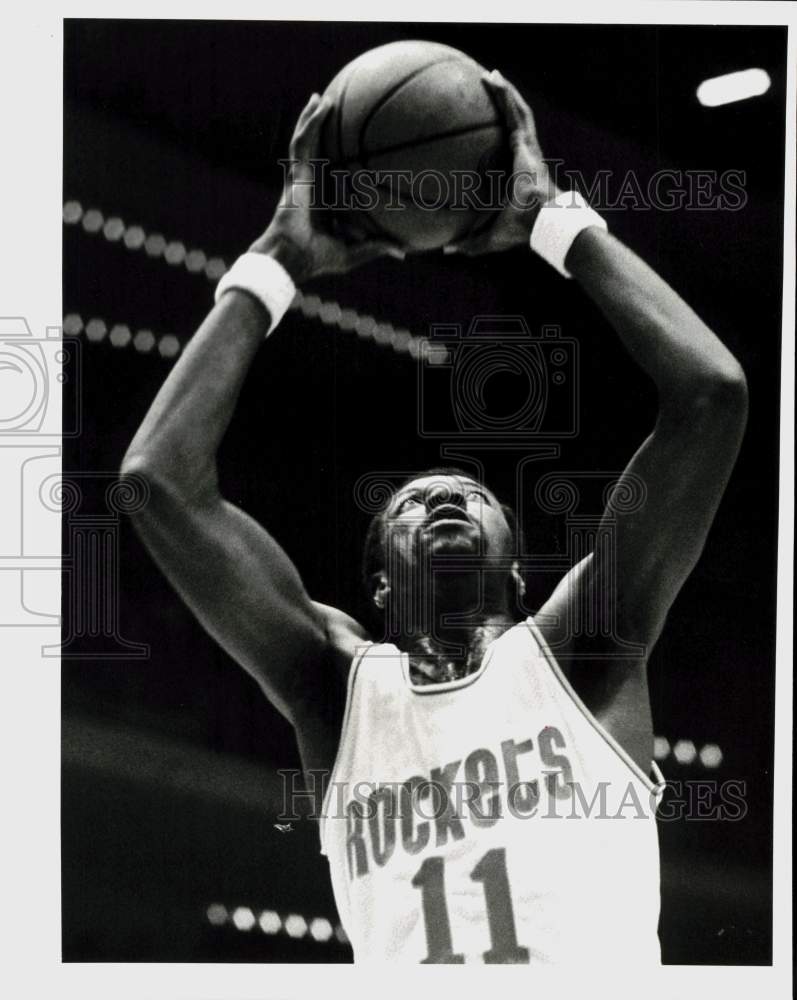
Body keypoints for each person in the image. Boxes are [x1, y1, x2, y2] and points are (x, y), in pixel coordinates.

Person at [121, 69, 748, 965]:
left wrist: (550, 218)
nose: (445, 495)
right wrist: (278, 258)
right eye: (414, 503)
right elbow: (155, 481)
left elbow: (711, 395)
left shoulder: (583, 653)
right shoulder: (336, 690)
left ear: (516, 571)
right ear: (379, 581)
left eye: (474, 499)